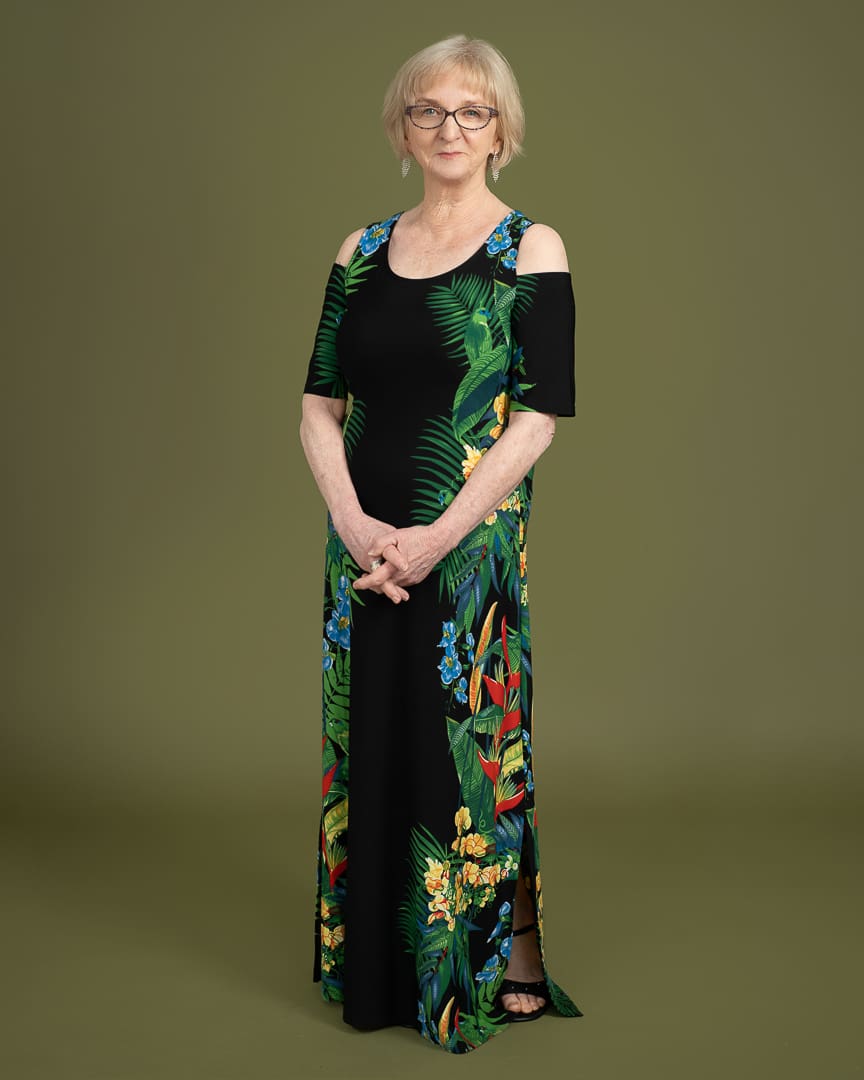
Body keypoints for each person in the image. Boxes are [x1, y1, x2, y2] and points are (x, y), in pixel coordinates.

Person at [299, 34, 582, 1053]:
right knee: (370, 737)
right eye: (430, 111)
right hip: (364, 543)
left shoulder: (530, 250)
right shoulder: (359, 251)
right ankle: (376, 964)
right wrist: (356, 524)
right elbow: (318, 406)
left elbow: (539, 418)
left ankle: (514, 953)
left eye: (472, 113)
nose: (450, 129)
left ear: (500, 131)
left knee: (477, 748)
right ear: (401, 126)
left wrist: (437, 537)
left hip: (465, 548)